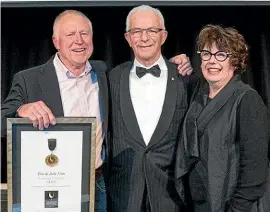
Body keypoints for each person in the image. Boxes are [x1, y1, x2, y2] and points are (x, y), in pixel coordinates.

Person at [1, 9, 192, 211]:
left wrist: (177, 63)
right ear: (56, 42)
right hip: (49, 184)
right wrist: (22, 109)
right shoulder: (30, 79)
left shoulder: (103, 73)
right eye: (70, 34)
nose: (79, 41)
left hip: (99, 184)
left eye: (84, 34)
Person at [106, 5, 199, 212]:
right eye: (136, 31)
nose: (144, 37)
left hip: (172, 196)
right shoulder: (111, 78)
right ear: (128, 38)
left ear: (163, 36)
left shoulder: (186, 79)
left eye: (151, 31)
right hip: (124, 192)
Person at [175, 24, 270, 212]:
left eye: (221, 55)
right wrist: (174, 63)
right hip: (200, 205)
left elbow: (255, 170)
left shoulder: (247, 99)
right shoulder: (197, 95)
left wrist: (236, 208)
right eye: (207, 54)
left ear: (234, 61)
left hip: (236, 207)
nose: (212, 61)